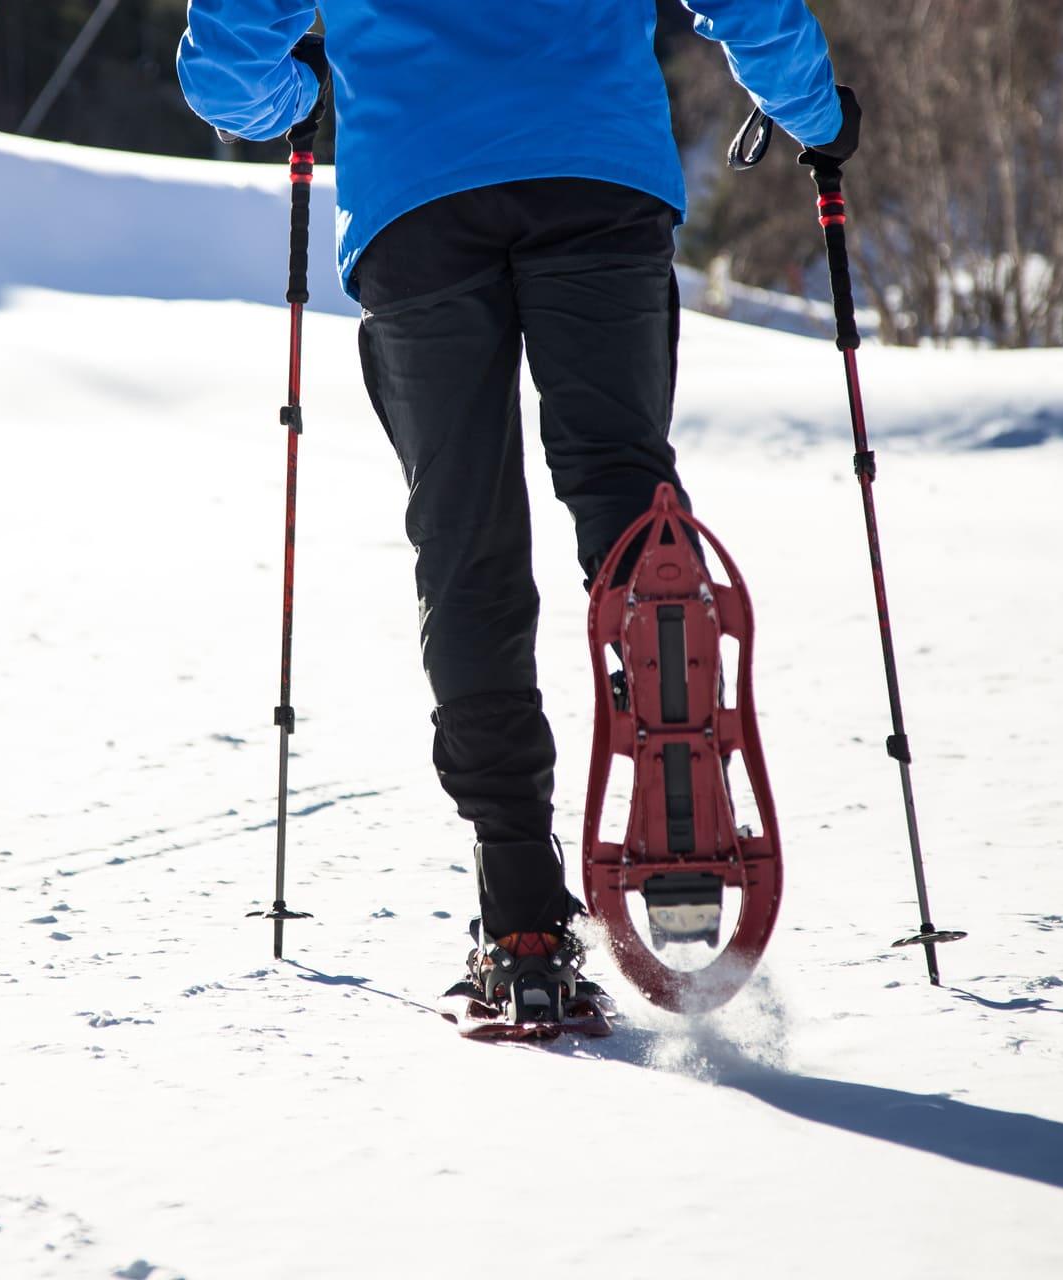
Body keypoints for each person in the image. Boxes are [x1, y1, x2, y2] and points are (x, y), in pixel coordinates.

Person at [178, 2, 858, 1012]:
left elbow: (225, 65)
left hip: (418, 191)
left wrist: (297, 96)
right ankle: (677, 790)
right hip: (594, 162)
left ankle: (521, 911)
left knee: (465, 540)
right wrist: (813, 110)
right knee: (625, 497)